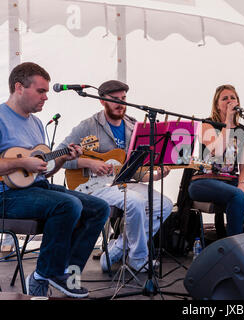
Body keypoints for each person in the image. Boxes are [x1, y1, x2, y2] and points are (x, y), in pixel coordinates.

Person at [0, 62, 110, 298]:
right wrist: (21, 163)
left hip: (37, 189)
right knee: (68, 204)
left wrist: (61, 160)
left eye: (47, 91)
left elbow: (43, 171)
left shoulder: (36, 122)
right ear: (19, 87)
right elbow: (25, 167)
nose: (46, 97)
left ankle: (64, 275)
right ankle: (50, 272)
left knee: (99, 208)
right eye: (41, 91)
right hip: (6, 196)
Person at [58, 80, 173, 273]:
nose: (121, 103)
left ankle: (117, 249)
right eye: (114, 99)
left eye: (123, 98)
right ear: (102, 101)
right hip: (92, 187)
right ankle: (138, 258)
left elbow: (130, 169)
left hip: (121, 183)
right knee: (134, 202)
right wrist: (88, 162)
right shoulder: (88, 126)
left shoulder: (133, 126)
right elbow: (58, 155)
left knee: (164, 204)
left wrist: (154, 175)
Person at [188, 84, 244, 236]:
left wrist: (242, 183)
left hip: (230, 180)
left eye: (233, 98)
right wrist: (228, 122)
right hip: (203, 181)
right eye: (225, 98)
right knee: (236, 195)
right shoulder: (207, 124)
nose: (229, 101)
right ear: (217, 105)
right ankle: (234, 244)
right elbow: (217, 151)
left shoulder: (243, 131)